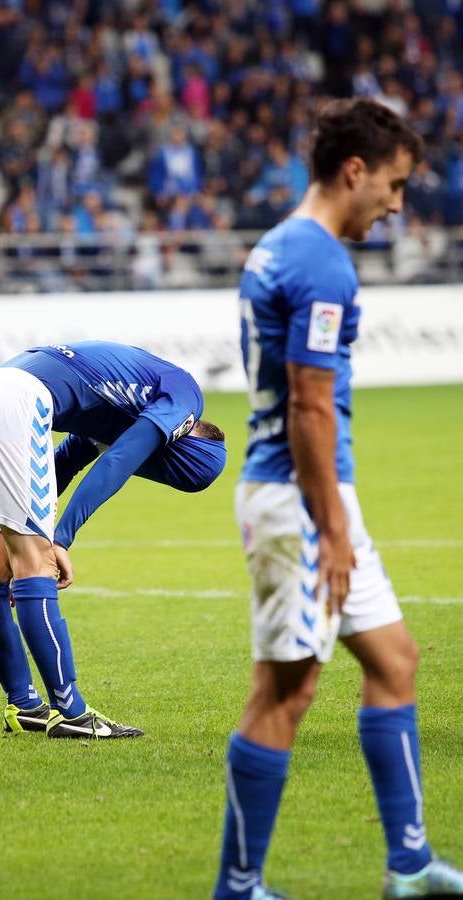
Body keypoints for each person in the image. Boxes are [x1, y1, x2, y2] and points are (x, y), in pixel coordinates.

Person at [212, 98, 463, 900]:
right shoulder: (320, 262)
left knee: (394, 661)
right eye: (391, 187)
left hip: (308, 496)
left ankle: (410, 862)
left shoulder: (277, 246)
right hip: (296, 502)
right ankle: (238, 885)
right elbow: (308, 406)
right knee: (283, 692)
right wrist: (331, 531)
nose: (396, 206)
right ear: (353, 171)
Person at [0, 340, 226, 740]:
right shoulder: (185, 395)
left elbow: (68, 461)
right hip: (16, 405)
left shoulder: (124, 401)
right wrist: (57, 539)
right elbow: (119, 461)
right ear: (187, 434)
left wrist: (26, 524)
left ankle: (24, 706)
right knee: (36, 563)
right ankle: (73, 712)